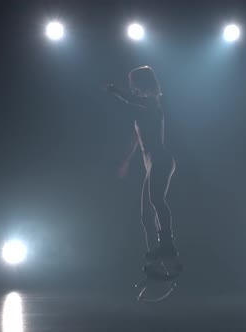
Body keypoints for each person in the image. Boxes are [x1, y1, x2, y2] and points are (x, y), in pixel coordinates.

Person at [107, 66, 180, 271]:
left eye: (132, 82)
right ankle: (156, 261)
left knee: (156, 200)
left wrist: (117, 92)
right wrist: (126, 161)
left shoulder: (152, 102)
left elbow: (134, 100)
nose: (131, 86)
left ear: (140, 83)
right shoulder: (142, 108)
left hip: (161, 160)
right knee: (146, 215)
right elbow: (135, 138)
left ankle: (167, 245)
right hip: (151, 163)